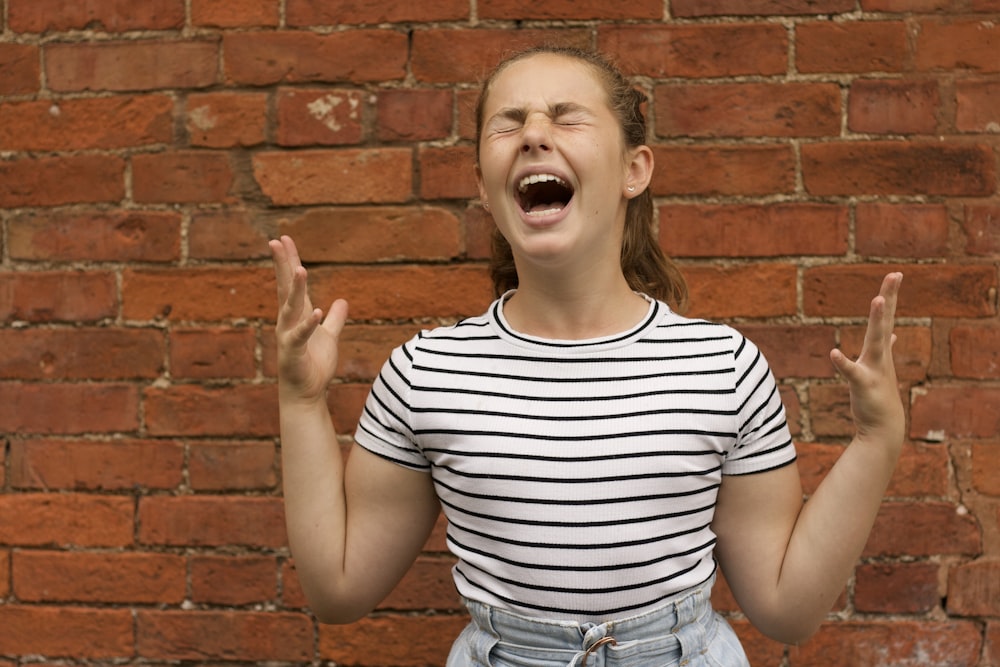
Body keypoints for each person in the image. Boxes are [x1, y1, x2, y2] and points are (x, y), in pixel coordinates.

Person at [269, 45, 904, 667]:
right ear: (484, 190)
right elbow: (338, 590)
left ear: (635, 170)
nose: (533, 135)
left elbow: (787, 612)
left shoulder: (723, 368)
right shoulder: (425, 374)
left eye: (567, 117)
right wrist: (300, 400)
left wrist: (877, 439)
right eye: (508, 123)